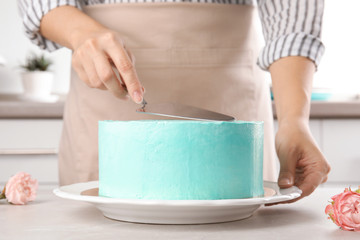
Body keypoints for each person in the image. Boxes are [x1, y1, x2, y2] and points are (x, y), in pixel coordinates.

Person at [18, 0, 330, 203]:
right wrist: (81, 32)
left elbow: (293, 20)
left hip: (231, 93)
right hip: (104, 95)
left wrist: (293, 120)